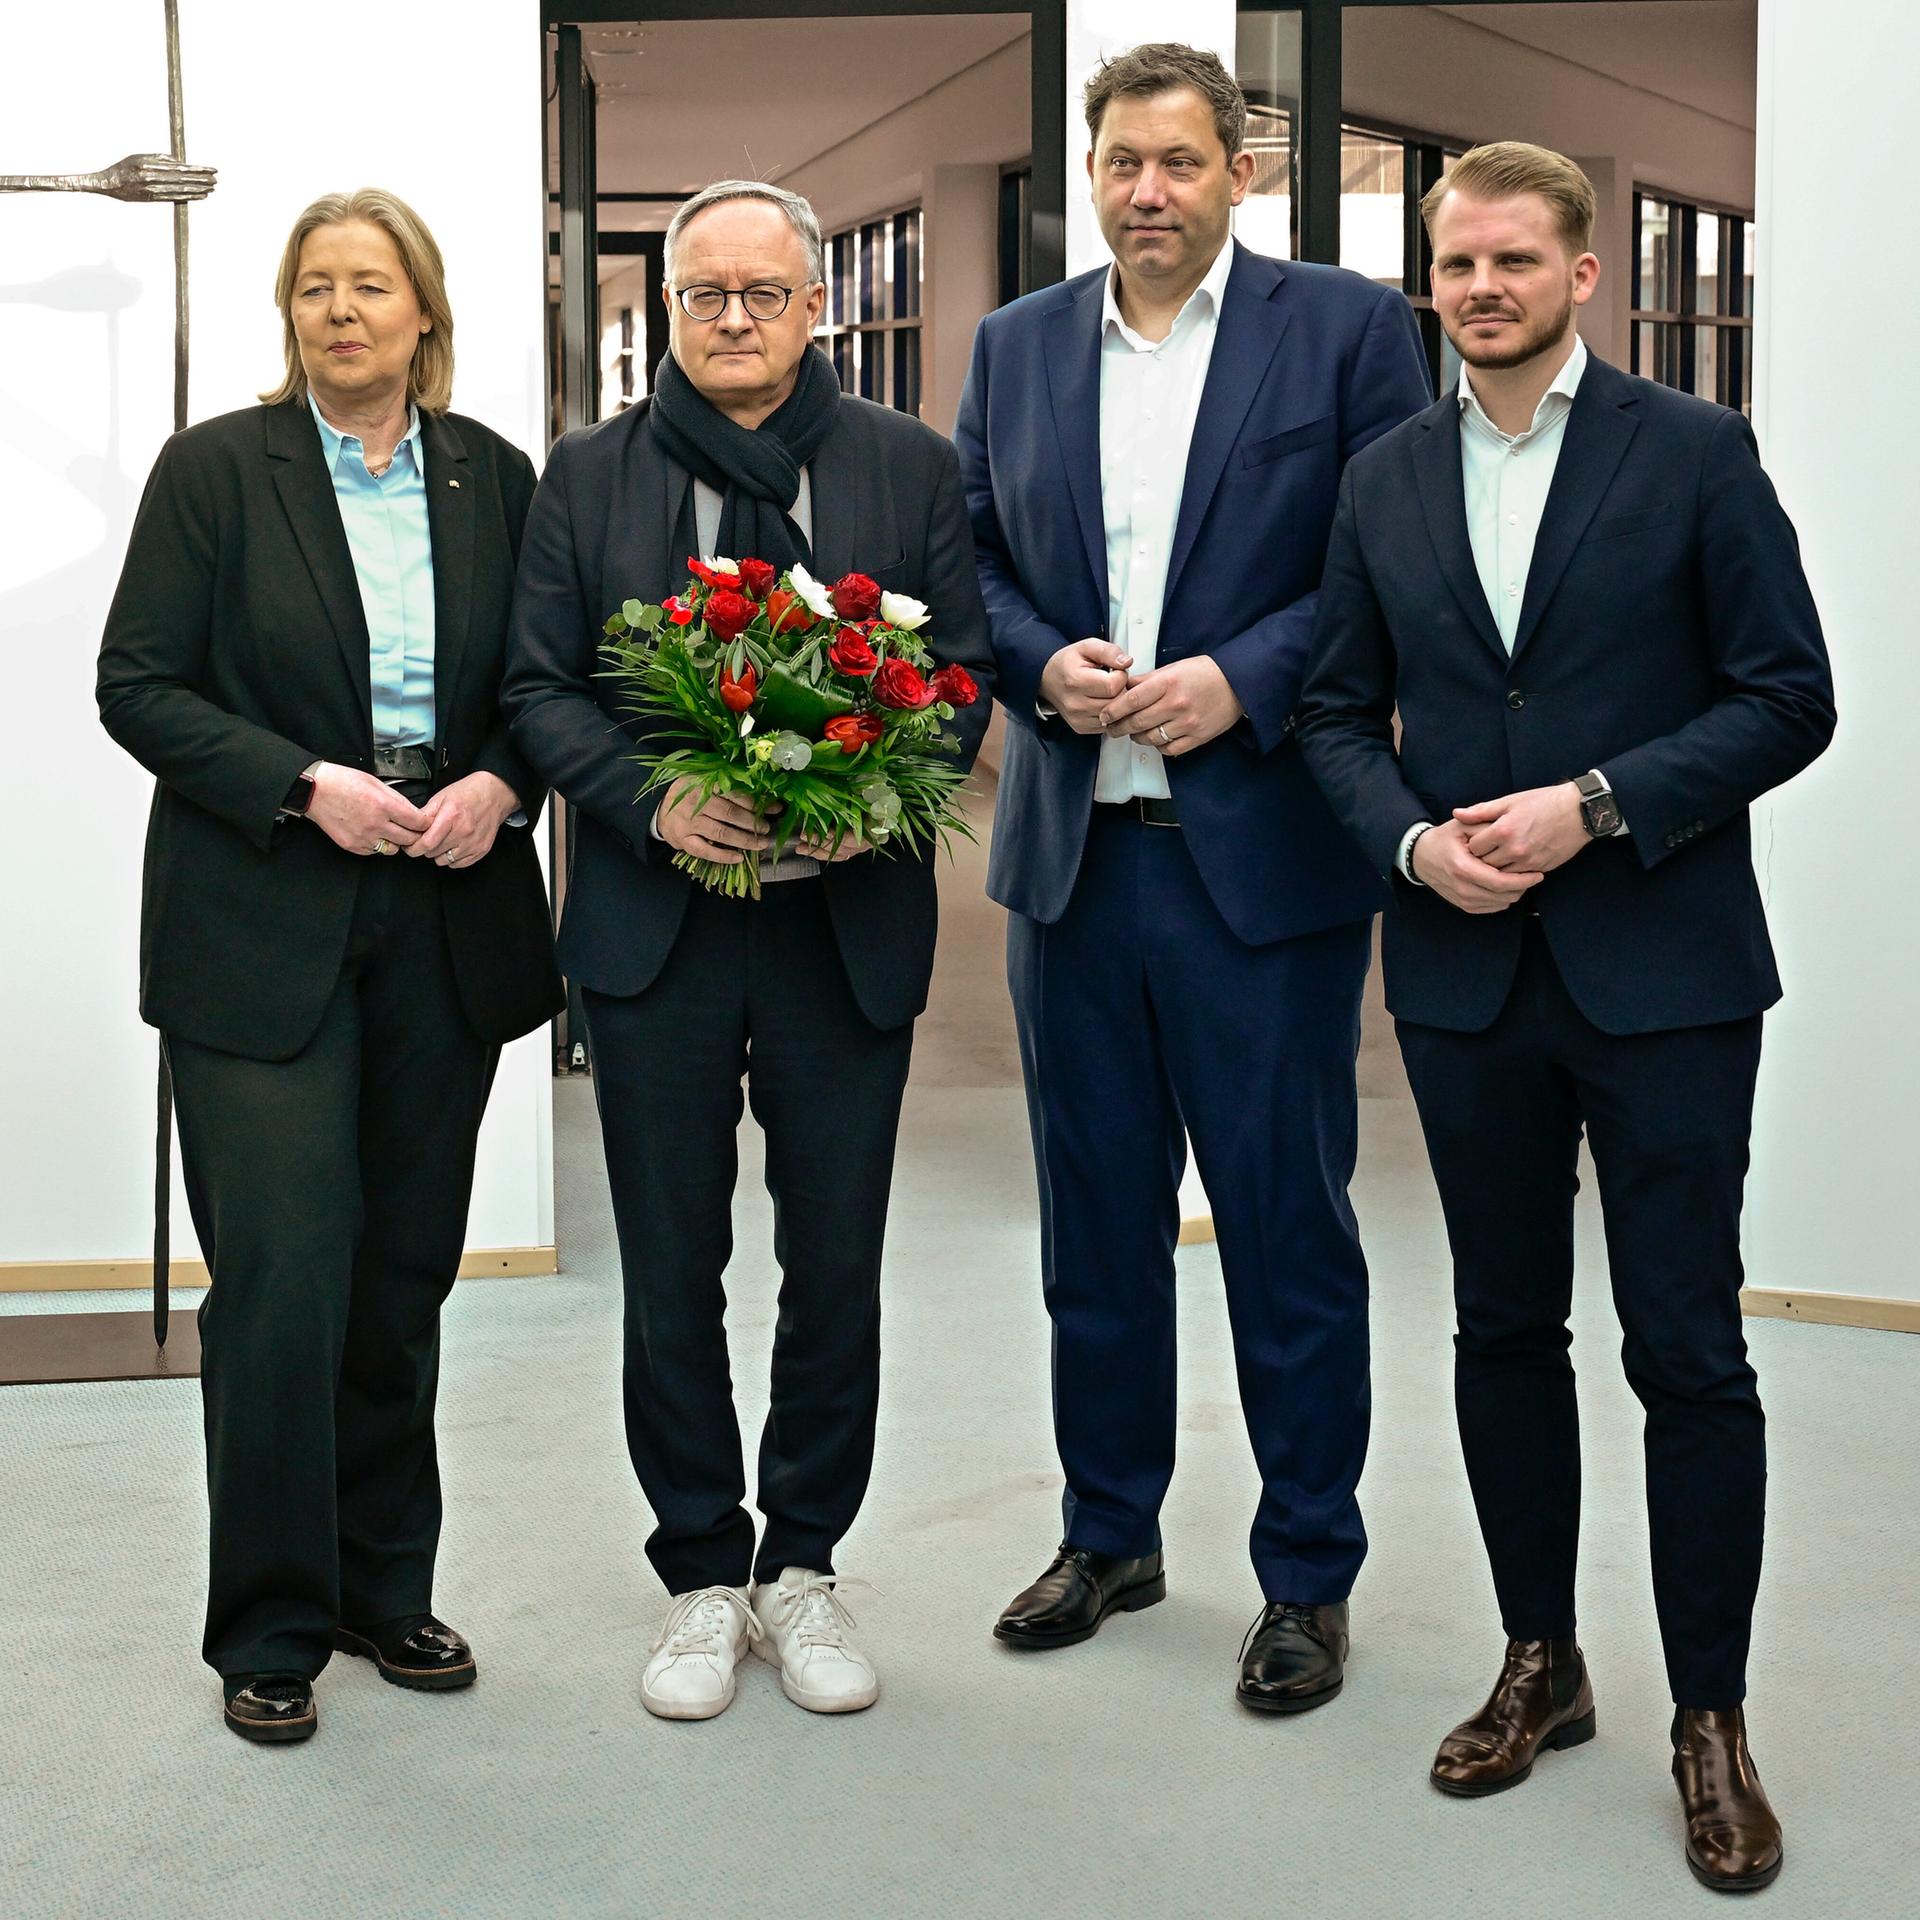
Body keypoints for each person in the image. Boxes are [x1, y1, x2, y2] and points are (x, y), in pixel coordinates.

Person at [1296, 143, 1834, 1893]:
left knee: (1687, 1348)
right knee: (1504, 1332)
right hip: (1468, 981)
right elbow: (1332, 714)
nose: (1482, 289)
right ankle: (1544, 1660)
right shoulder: (1383, 476)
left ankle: (1711, 1720)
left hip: (1666, 976)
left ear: (1583, 274)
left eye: (1515, 260)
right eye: (1457, 264)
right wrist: (1410, 846)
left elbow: (1789, 696)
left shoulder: (1695, 452)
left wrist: (1599, 804)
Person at [953, 44, 1430, 1708]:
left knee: (1288, 1234)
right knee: (1094, 1232)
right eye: (1120, 162)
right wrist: (1037, 665)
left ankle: (1306, 1571)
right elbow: (971, 559)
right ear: (1088, 174)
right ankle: (1111, 1533)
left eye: (1178, 161)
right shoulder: (1018, 345)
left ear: (1241, 170)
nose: (1146, 191)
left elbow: (1388, 557)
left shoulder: (1346, 332)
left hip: (1264, 870)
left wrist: (1247, 678)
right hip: (1075, 862)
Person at [503, 180, 994, 1722]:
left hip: (843, 932)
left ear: (815, 306)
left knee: (834, 1261)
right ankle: (703, 1574)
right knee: (672, 1265)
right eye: (703, 294)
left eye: (763, 293)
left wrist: (879, 793)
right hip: (658, 935)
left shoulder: (908, 465)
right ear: (669, 308)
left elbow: (966, 670)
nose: (732, 319)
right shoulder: (587, 476)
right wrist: (655, 800)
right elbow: (538, 689)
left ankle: (805, 1564)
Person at [96, 188, 562, 1744]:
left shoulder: (493, 477)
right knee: (284, 1281)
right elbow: (138, 684)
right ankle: (272, 1624)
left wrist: (501, 782)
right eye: (315, 287)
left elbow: (545, 684)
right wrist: (305, 785)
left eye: (370, 285)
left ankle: (382, 1587)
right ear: (289, 313)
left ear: (425, 311)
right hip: (261, 917)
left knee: (400, 1274)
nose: (341, 311)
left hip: (445, 911)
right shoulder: (218, 472)